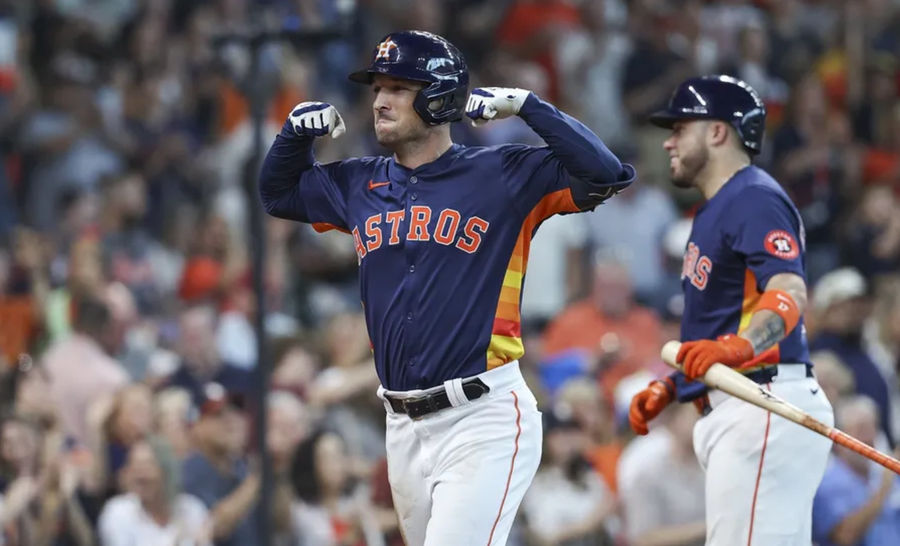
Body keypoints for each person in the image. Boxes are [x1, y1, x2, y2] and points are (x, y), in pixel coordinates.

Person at [259, 29, 635, 546]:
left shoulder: (502, 173)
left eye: (397, 87)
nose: (380, 100)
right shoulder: (358, 182)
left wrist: (529, 106)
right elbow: (278, 195)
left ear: (438, 97)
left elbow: (605, 173)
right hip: (402, 423)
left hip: (482, 416)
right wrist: (293, 137)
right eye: (376, 88)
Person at [627, 75, 834, 545]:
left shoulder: (752, 195)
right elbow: (716, 324)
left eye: (680, 128)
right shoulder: (717, 208)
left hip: (761, 403)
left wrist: (741, 347)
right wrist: (675, 384)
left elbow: (789, 290)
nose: (668, 141)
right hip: (741, 406)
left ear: (718, 132)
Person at [812, 395, 900, 546]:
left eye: (873, 428)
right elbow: (845, 535)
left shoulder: (882, 474)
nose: (868, 437)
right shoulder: (826, 484)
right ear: (839, 439)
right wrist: (884, 487)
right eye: (860, 429)